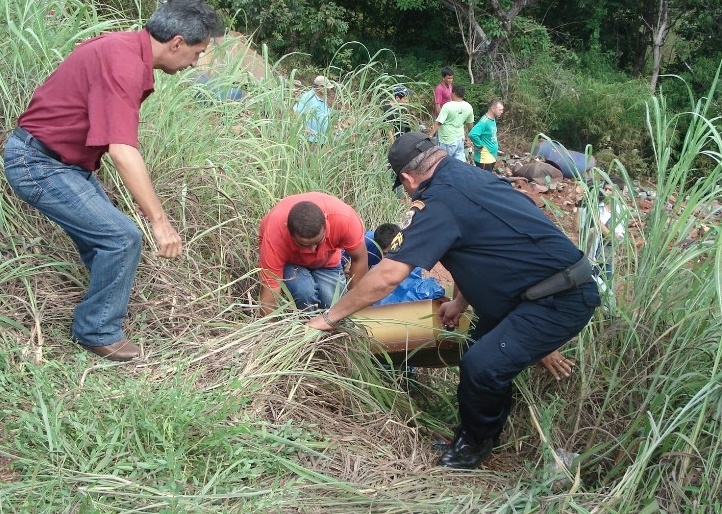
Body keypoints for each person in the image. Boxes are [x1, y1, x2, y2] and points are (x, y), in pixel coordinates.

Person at [308, 132, 600, 469]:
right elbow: (476, 251)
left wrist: (329, 319)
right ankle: (478, 431)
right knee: (475, 350)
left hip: (557, 297)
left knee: (483, 365)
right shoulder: (471, 176)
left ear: (407, 178)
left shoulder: (438, 202)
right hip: (536, 290)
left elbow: (389, 275)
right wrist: (460, 302)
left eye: (403, 187)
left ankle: (475, 446)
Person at [2, 0, 222, 362]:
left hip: (62, 162)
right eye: (197, 54)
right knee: (122, 238)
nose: (194, 64)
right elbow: (122, 151)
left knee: (107, 238)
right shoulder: (123, 63)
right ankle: (97, 329)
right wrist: (160, 221)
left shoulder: (122, 49)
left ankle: (103, 308)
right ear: (177, 42)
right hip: (38, 163)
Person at [258, 192, 368, 316]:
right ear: (288, 230)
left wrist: (353, 307)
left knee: (335, 305)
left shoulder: (345, 220)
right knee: (304, 292)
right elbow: (271, 288)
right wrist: (269, 332)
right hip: (291, 262)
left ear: (326, 224)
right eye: (304, 245)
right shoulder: (275, 235)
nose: (312, 250)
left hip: (327, 261)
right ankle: (308, 325)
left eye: (318, 242)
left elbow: (360, 259)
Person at [428, 85, 474, 163]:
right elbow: (470, 124)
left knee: (444, 162)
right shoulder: (468, 106)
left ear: (454, 93)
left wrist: (430, 135)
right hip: (460, 139)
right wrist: (469, 137)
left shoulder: (448, 106)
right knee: (459, 163)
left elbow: (439, 122)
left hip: (447, 139)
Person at [293, 75, 335, 144]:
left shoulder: (324, 97)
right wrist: (305, 128)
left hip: (322, 140)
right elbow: (296, 112)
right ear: (320, 87)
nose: (328, 90)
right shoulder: (308, 97)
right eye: (326, 88)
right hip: (310, 140)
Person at [469, 99, 504, 172]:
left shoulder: (492, 119)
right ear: (493, 109)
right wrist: (479, 145)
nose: (502, 112)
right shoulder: (484, 122)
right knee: (483, 181)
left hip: (491, 156)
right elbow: (473, 134)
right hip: (484, 158)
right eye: (500, 110)